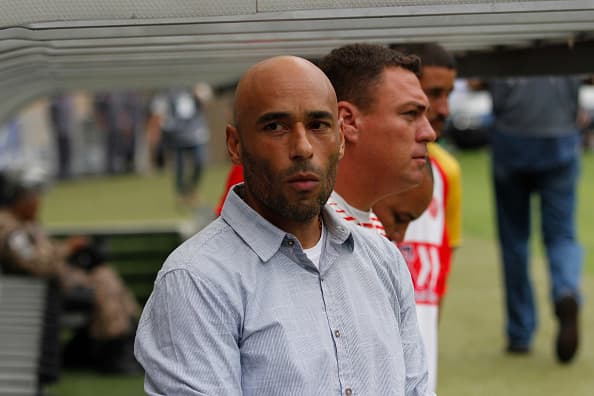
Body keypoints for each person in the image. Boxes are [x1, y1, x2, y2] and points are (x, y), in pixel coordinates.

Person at [135, 55, 432, 395]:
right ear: (235, 145)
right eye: (276, 126)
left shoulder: (382, 259)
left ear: (340, 139)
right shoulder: (196, 280)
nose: (303, 147)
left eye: (319, 125)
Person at [374, 42, 462, 392]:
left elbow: (439, 271)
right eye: (431, 96)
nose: (442, 109)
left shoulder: (447, 172)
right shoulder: (360, 170)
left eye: (448, 95)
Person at [476, 76, 583, 363]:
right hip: (560, 135)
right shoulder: (565, 32)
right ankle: (566, 290)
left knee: (514, 240)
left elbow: (478, 82)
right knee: (561, 235)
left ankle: (520, 332)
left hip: (511, 139)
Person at [0, 167, 141, 374]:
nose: (38, 202)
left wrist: (70, 246)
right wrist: (67, 250)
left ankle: (121, 340)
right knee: (104, 281)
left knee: (104, 275)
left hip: (54, 284)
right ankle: (113, 349)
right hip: (40, 291)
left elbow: (42, 252)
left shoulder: (24, 224)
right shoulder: (10, 228)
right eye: (33, 197)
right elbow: (32, 263)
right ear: (19, 199)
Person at [150, 85, 211, 208]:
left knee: (199, 162)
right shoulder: (168, 91)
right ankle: (181, 194)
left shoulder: (193, 85)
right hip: (177, 134)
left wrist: (199, 95)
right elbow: (159, 109)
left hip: (195, 133)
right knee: (180, 167)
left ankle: (192, 190)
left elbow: (205, 97)